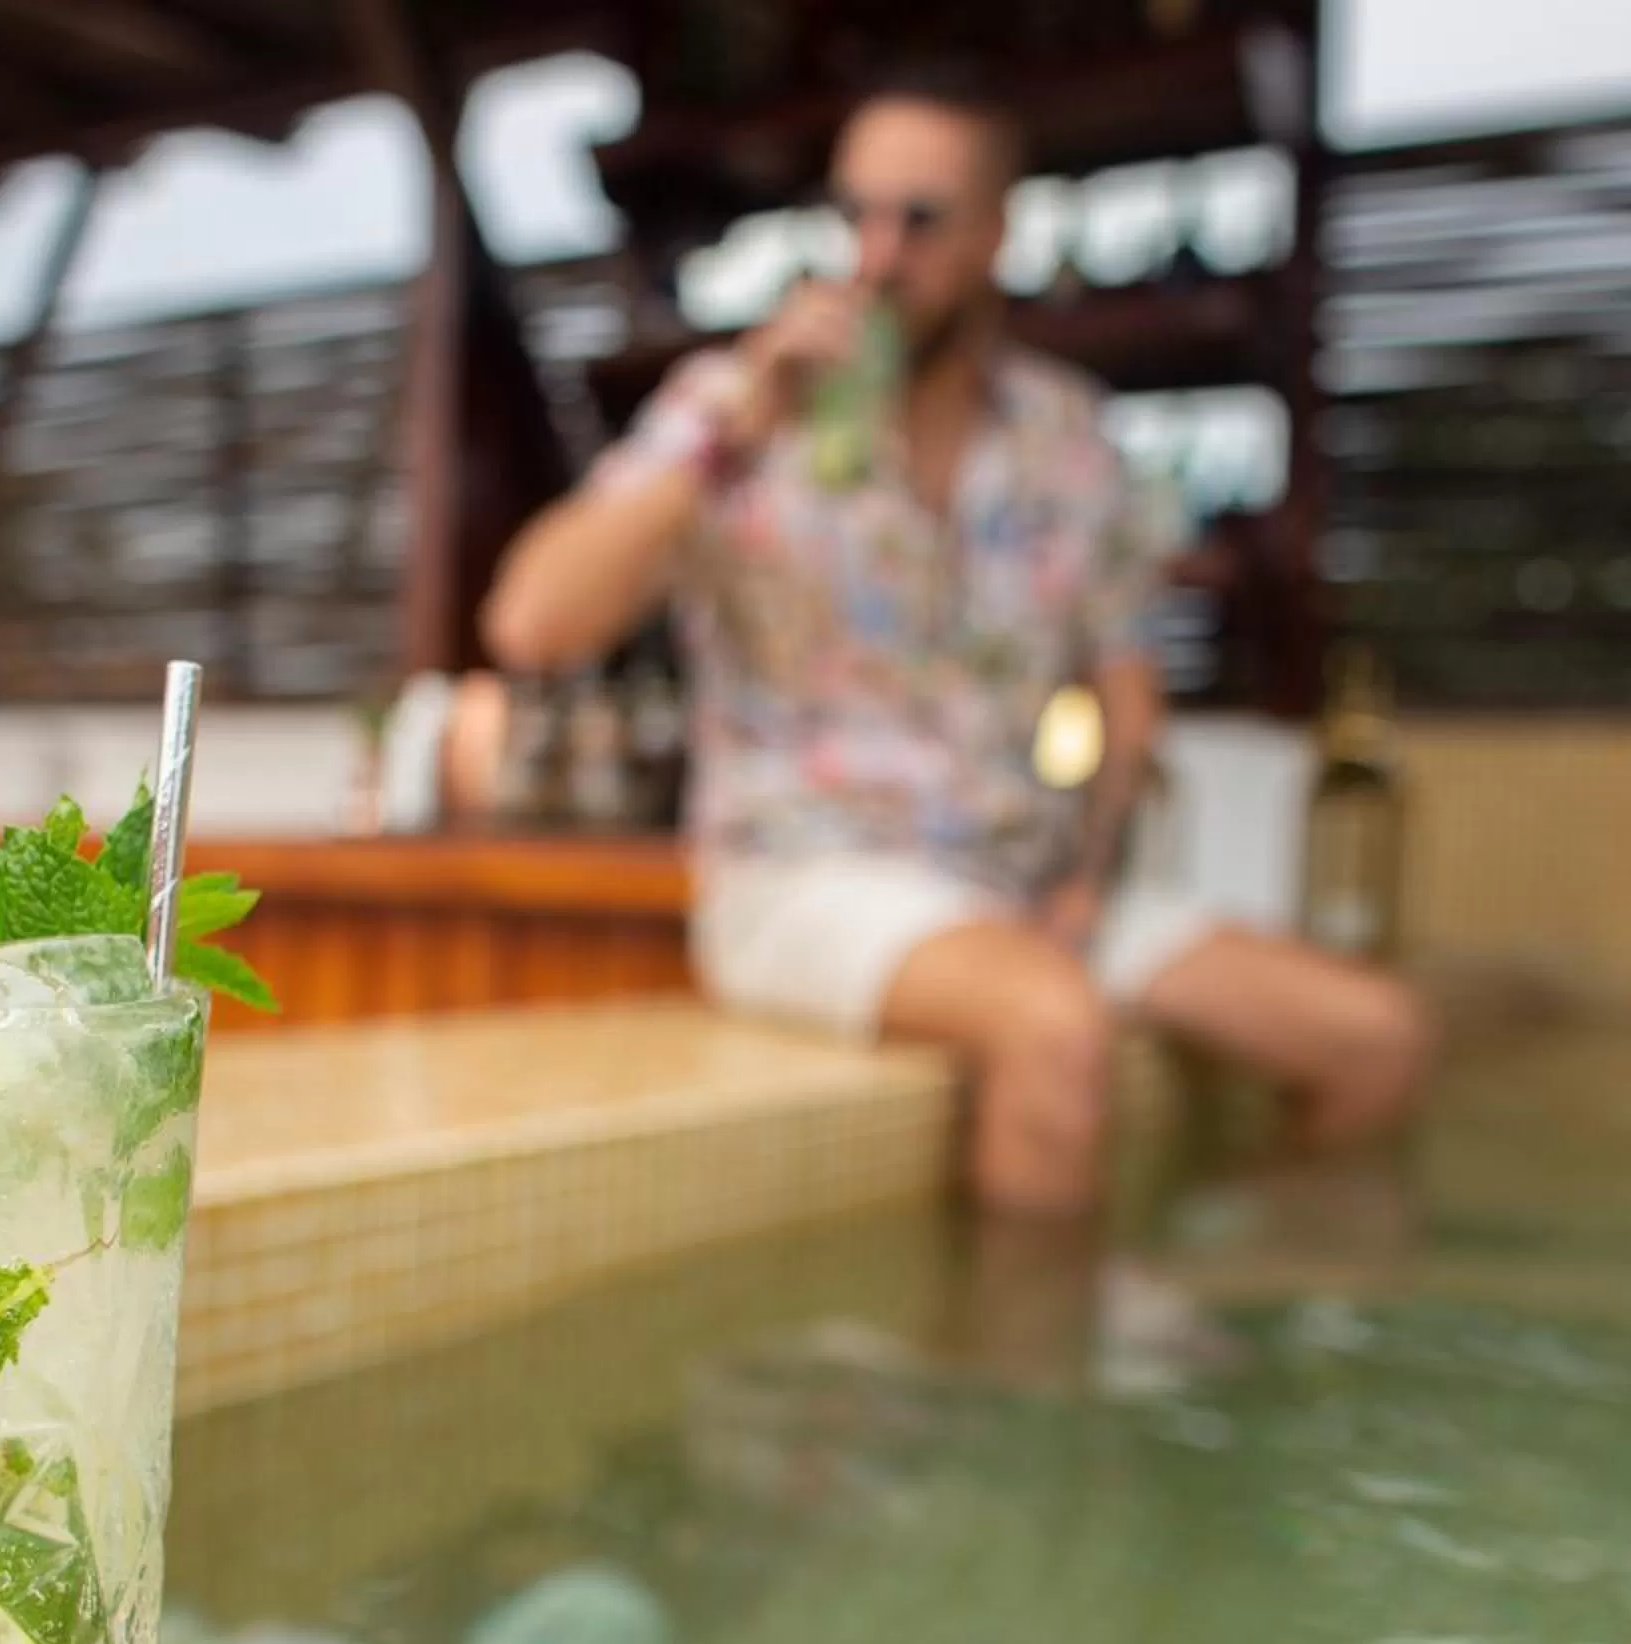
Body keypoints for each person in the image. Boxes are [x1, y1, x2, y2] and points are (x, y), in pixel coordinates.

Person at [481, 65, 1429, 1213]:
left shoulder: (1067, 436)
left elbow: (1129, 700)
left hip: (1022, 885)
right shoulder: (732, 405)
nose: (878, 255)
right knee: (1054, 1026)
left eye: (920, 219)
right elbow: (532, 624)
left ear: (995, 234)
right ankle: (1036, 1335)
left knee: (1376, 1035)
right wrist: (738, 430)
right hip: (808, 873)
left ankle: (1242, 1296)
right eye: (856, 214)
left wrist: (1086, 883)